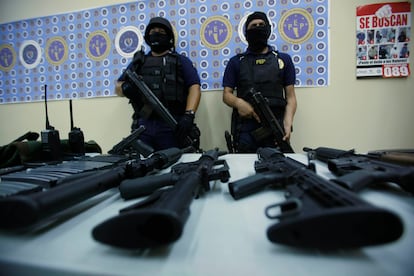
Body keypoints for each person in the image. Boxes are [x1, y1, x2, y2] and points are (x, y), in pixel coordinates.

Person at [115, 17, 201, 151]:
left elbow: (194, 87)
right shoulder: (138, 63)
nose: (156, 34)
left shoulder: (180, 61)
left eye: (161, 31)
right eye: (153, 31)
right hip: (144, 124)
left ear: (169, 37)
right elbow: (118, 87)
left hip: (172, 122)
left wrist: (189, 115)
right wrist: (126, 88)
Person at [222, 11, 297, 153]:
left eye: (261, 25)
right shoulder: (236, 62)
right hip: (246, 129)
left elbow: (291, 97)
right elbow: (226, 94)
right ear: (246, 32)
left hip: (276, 124)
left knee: (278, 169)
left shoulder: (283, 60)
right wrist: (239, 103)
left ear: (268, 29)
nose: (258, 27)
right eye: (253, 26)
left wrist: (288, 123)